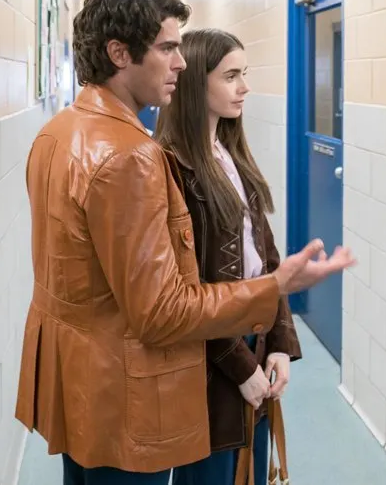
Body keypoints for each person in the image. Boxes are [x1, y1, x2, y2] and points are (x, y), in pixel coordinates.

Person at [14, 0, 355, 485]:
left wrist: (276, 329)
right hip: (124, 393)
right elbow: (161, 312)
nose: (180, 63)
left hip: (82, 386)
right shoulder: (131, 156)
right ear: (119, 53)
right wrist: (275, 286)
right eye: (167, 48)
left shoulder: (59, 131)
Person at [153, 28, 299, 485]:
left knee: (250, 469)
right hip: (211, 359)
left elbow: (267, 260)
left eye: (244, 74)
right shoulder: (170, 166)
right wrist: (239, 366)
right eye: (231, 76)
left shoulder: (231, 154)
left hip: (254, 339)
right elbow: (185, 290)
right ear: (196, 83)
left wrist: (279, 342)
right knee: (214, 474)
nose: (245, 87)